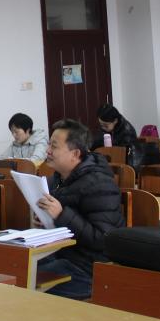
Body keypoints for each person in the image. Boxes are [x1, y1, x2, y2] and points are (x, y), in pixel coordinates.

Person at [35, 119, 123, 300]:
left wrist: (61, 215)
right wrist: (44, 220)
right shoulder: (57, 179)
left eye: (54, 146)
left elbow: (103, 239)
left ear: (75, 154)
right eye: (49, 145)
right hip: (61, 254)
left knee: (26, 286)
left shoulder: (100, 184)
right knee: (15, 269)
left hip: (89, 268)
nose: (47, 151)